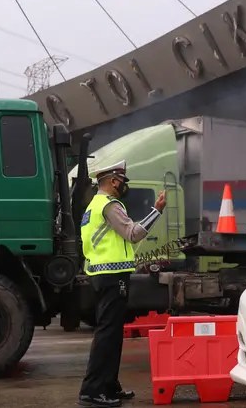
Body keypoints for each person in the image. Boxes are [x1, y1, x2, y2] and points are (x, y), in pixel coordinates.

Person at [79, 160, 166, 407]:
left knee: (112, 333)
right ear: (114, 181)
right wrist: (157, 210)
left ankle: (108, 386)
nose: (124, 186)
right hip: (111, 276)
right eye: (122, 182)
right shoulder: (109, 205)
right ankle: (92, 390)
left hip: (101, 275)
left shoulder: (93, 206)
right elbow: (133, 233)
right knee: (107, 334)